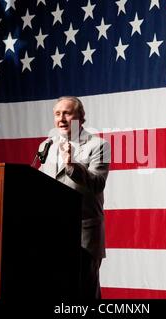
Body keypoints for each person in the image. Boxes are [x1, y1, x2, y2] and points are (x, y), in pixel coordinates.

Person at [38, 96, 110, 299]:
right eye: (57, 114)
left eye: (67, 113)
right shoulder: (47, 145)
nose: (61, 119)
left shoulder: (98, 145)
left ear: (81, 117)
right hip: (53, 230)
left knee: (84, 291)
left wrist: (71, 166)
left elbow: (97, 183)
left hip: (83, 231)